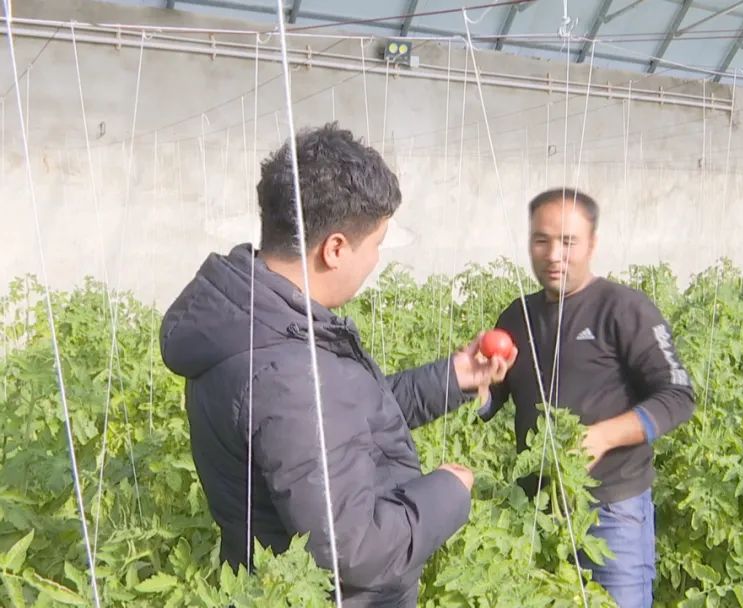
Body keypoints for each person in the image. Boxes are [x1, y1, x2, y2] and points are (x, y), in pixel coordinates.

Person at [159, 122, 516, 607]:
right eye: (376, 244)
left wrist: (451, 378)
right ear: (336, 248)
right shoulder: (288, 371)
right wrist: (449, 492)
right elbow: (355, 550)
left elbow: (341, 423)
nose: (375, 260)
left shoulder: (255, 321)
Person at [478, 187, 696, 607]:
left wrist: (603, 437)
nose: (553, 255)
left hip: (612, 510)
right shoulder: (517, 317)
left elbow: (677, 395)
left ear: (592, 245)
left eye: (568, 242)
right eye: (541, 240)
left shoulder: (625, 309)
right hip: (536, 514)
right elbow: (491, 403)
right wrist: (477, 386)